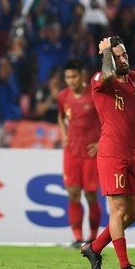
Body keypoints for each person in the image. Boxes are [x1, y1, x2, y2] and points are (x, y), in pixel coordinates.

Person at [81, 36, 135, 269]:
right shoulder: (101, 80)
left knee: (134, 213)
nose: (123, 59)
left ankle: (94, 248)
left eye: (125, 54)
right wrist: (106, 52)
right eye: (117, 56)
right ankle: (124, 266)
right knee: (118, 209)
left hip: (132, 154)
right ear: (109, 58)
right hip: (111, 154)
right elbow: (107, 74)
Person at [57, 59, 102, 248]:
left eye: (74, 76)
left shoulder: (94, 95)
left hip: (91, 152)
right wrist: (64, 135)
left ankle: (92, 238)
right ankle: (77, 238)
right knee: (73, 194)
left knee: (91, 195)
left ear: (82, 75)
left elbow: (108, 119)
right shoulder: (63, 96)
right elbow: (60, 116)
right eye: (67, 77)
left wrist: (101, 142)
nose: (70, 81)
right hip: (72, 152)